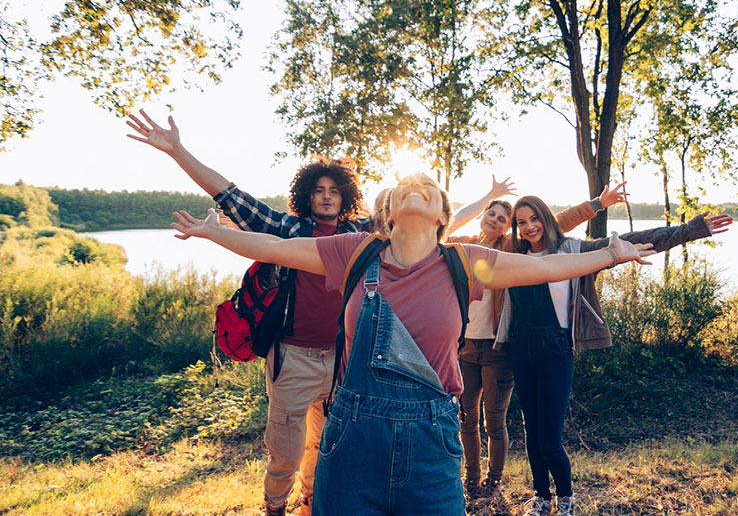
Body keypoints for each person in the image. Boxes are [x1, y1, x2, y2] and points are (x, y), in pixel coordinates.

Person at [168, 172, 656, 516]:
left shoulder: (465, 262)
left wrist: (611, 254)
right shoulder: (354, 251)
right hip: (352, 436)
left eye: (428, 188)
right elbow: (274, 248)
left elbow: (548, 267)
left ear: (443, 214)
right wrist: (212, 233)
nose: (416, 187)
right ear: (389, 210)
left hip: (431, 440)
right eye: (406, 186)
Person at [126, 110, 371, 516]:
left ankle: (312, 501)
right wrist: (177, 150)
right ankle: (274, 507)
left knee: (326, 444)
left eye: (334, 190)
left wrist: (483, 205)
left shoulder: (359, 236)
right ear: (307, 196)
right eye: (318, 190)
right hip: (292, 358)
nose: (326, 195)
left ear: (345, 197)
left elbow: (418, 226)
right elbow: (231, 196)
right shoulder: (288, 230)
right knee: (285, 452)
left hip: (342, 359)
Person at [495, 196, 733, 516]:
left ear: (545, 217)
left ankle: (566, 500)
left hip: (556, 349)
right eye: (521, 222)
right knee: (531, 434)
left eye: (533, 218)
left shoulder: (573, 249)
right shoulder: (513, 254)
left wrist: (690, 230)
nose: (528, 227)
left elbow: (630, 242)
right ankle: (541, 498)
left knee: (550, 440)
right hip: (521, 349)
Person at [449, 180, 628, 504]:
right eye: (492, 214)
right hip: (465, 347)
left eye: (503, 219)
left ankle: (497, 481)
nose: (495, 220)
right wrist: (489, 196)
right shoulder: (461, 246)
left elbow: (554, 223)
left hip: (497, 347)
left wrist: (597, 204)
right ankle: (473, 479)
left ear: (508, 229)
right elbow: (450, 222)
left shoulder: (508, 251)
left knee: (496, 422)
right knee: (467, 420)